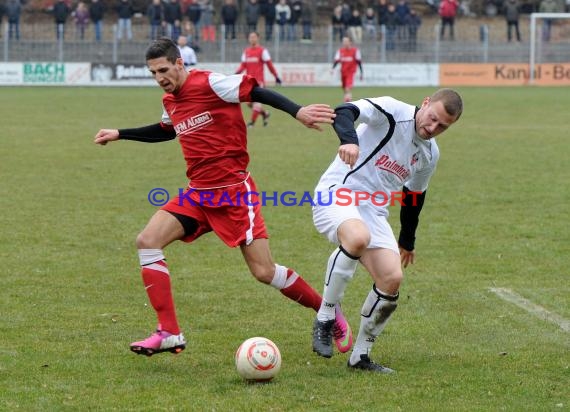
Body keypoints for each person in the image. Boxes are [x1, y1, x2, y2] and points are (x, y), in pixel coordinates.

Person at [93, 37, 352, 357]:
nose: (160, 78)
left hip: (233, 194)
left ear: (179, 64)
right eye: (153, 73)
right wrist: (121, 133)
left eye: (163, 70)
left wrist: (297, 111)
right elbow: (166, 130)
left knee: (264, 272)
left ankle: (328, 313)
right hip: (197, 194)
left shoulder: (212, 83)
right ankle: (169, 332)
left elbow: (257, 92)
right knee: (147, 240)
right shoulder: (170, 101)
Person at [311, 89, 463, 372]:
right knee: (357, 238)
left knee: (392, 278)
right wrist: (349, 141)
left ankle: (360, 356)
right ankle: (325, 317)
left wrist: (407, 240)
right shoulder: (393, 111)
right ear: (426, 102)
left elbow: (414, 195)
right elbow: (345, 112)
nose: (432, 128)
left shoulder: (429, 154)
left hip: (373, 211)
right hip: (337, 192)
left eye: (442, 126)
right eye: (432, 118)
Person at [235, 31, 282, 128]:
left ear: (258, 38)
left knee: (256, 103)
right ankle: (265, 114)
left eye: (254, 37)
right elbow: (243, 66)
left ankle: (251, 123)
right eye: (250, 37)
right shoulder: (246, 52)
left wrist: (276, 76)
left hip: (259, 82)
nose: (252, 39)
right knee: (249, 103)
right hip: (248, 81)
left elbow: (269, 65)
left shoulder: (262, 51)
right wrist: (235, 75)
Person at [332, 36, 363, 103]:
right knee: (344, 88)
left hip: (351, 72)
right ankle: (348, 100)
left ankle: (348, 102)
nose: (344, 43)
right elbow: (336, 61)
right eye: (343, 41)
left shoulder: (355, 51)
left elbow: (359, 62)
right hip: (343, 72)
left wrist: (361, 72)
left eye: (346, 41)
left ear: (350, 42)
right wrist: (332, 69)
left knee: (347, 88)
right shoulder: (340, 51)